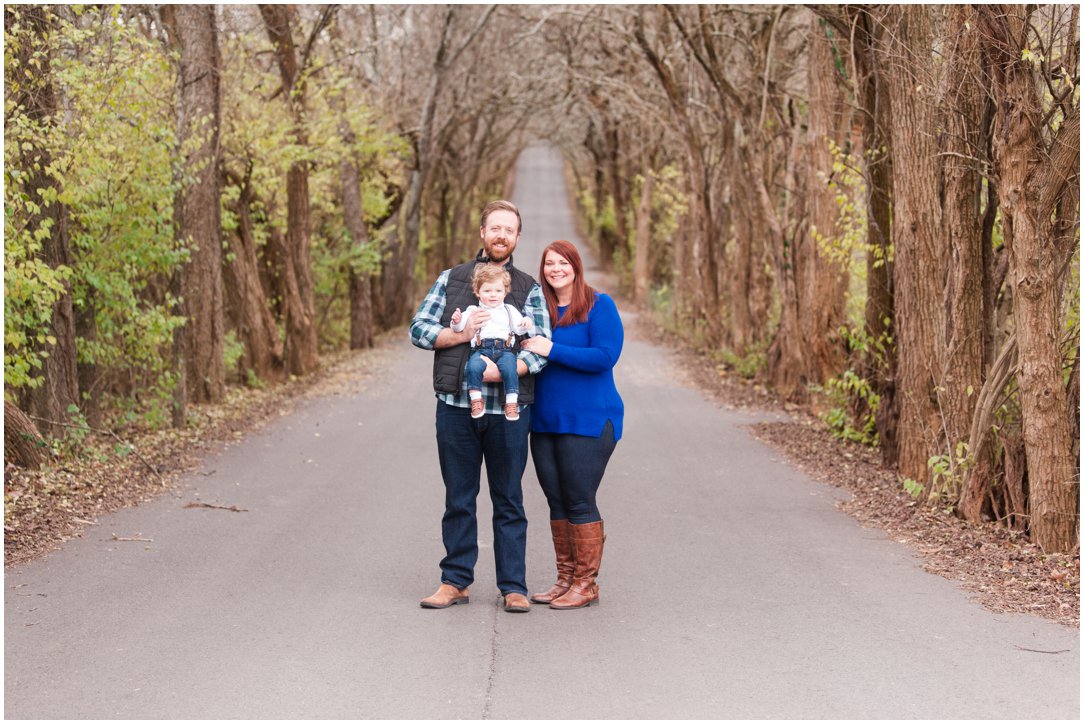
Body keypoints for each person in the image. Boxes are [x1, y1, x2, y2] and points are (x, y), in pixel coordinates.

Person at [409, 200, 551, 614]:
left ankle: (513, 585)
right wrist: (457, 335)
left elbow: (540, 347)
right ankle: (455, 580)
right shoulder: (451, 279)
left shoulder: (528, 288)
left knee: (509, 499)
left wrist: (505, 372)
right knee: (459, 496)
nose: (501, 235)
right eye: (495, 228)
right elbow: (418, 328)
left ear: (517, 237)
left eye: (509, 229)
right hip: (455, 406)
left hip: (509, 411)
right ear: (483, 233)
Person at [520, 239, 623, 609]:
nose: (556, 269)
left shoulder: (599, 305)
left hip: (591, 419)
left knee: (579, 500)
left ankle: (586, 583)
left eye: (563, 262)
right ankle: (565, 579)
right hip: (545, 420)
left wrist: (552, 350)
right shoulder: (539, 310)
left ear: (576, 266)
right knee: (556, 500)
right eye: (549, 263)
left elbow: (605, 357)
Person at [450, 264, 535, 422]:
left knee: (510, 368)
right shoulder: (473, 310)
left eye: (498, 291)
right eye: (487, 291)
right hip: (481, 350)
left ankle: (511, 403)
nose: (493, 295)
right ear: (477, 292)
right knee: (473, 367)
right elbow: (458, 328)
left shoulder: (509, 310)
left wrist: (525, 321)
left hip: (505, 350)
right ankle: (476, 399)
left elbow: (519, 330)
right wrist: (456, 321)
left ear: (505, 292)